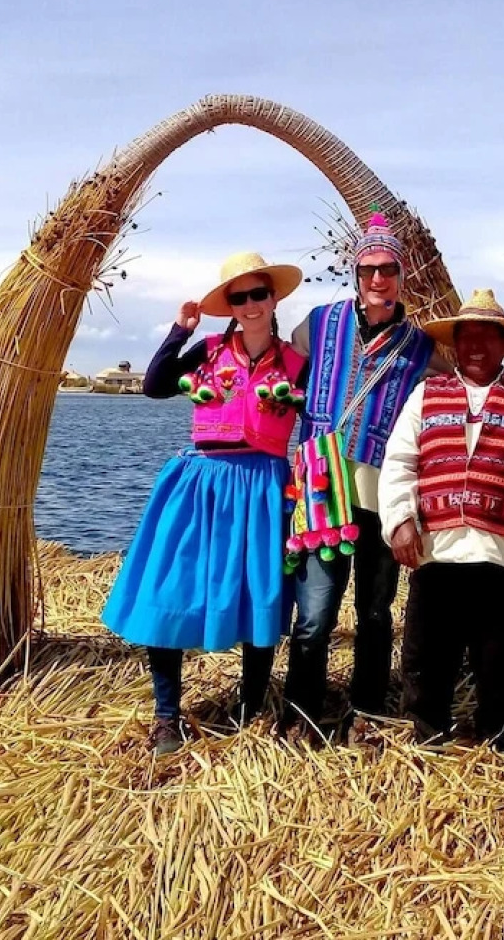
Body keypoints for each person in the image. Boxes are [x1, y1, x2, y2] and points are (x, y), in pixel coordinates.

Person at [102, 251, 307, 756]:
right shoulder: (208, 350)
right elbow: (153, 387)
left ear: (273, 298)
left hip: (262, 484)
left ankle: (250, 708)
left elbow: (323, 418)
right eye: (239, 297)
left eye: (258, 294)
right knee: (172, 587)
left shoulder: (296, 364)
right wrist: (180, 330)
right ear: (230, 306)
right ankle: (166, 716)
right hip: (203, 480)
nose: (250, 304)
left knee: (258, 591)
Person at [378, 288, 504, 752]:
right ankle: (430, 739)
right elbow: (399, 461)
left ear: (503, 344)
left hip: (500, 558)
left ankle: (497, 743)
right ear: (455, 343)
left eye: (487, 337)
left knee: (498, 662)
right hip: (438, 555)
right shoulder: (427, 394)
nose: (475, 346)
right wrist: (401, 520)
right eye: (467, 336)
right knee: (427, 658)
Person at [282, 212, 445, 738]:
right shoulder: (317, 324)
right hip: (321, 491)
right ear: (356, 274)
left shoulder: (421, 347)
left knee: (375, 613)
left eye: (389, 269)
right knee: (315, 613)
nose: (379, 279)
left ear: (402, 277)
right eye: (370, 269)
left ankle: (367, 711)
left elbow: (459, 383)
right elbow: (279, 378)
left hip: (382, 498)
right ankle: (302, 711)